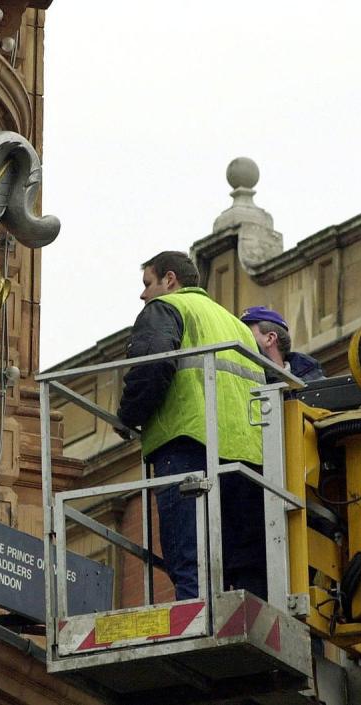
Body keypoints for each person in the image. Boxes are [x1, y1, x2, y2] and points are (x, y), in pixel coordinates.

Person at [117, 251, 267, 600]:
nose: (143, 295)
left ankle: (195, 624)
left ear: (170, 280)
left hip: (187, 444)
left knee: (192, 562)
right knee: (243, 566)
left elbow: (152, 365)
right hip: (247, 455)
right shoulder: (238, 327)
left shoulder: (167, 308)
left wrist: (129, 415)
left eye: (148, 283)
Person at [239, 306, 325, 383]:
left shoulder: (320, 387)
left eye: (247, 334)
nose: (240, 339)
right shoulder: (242, 381)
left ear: (270, 338)